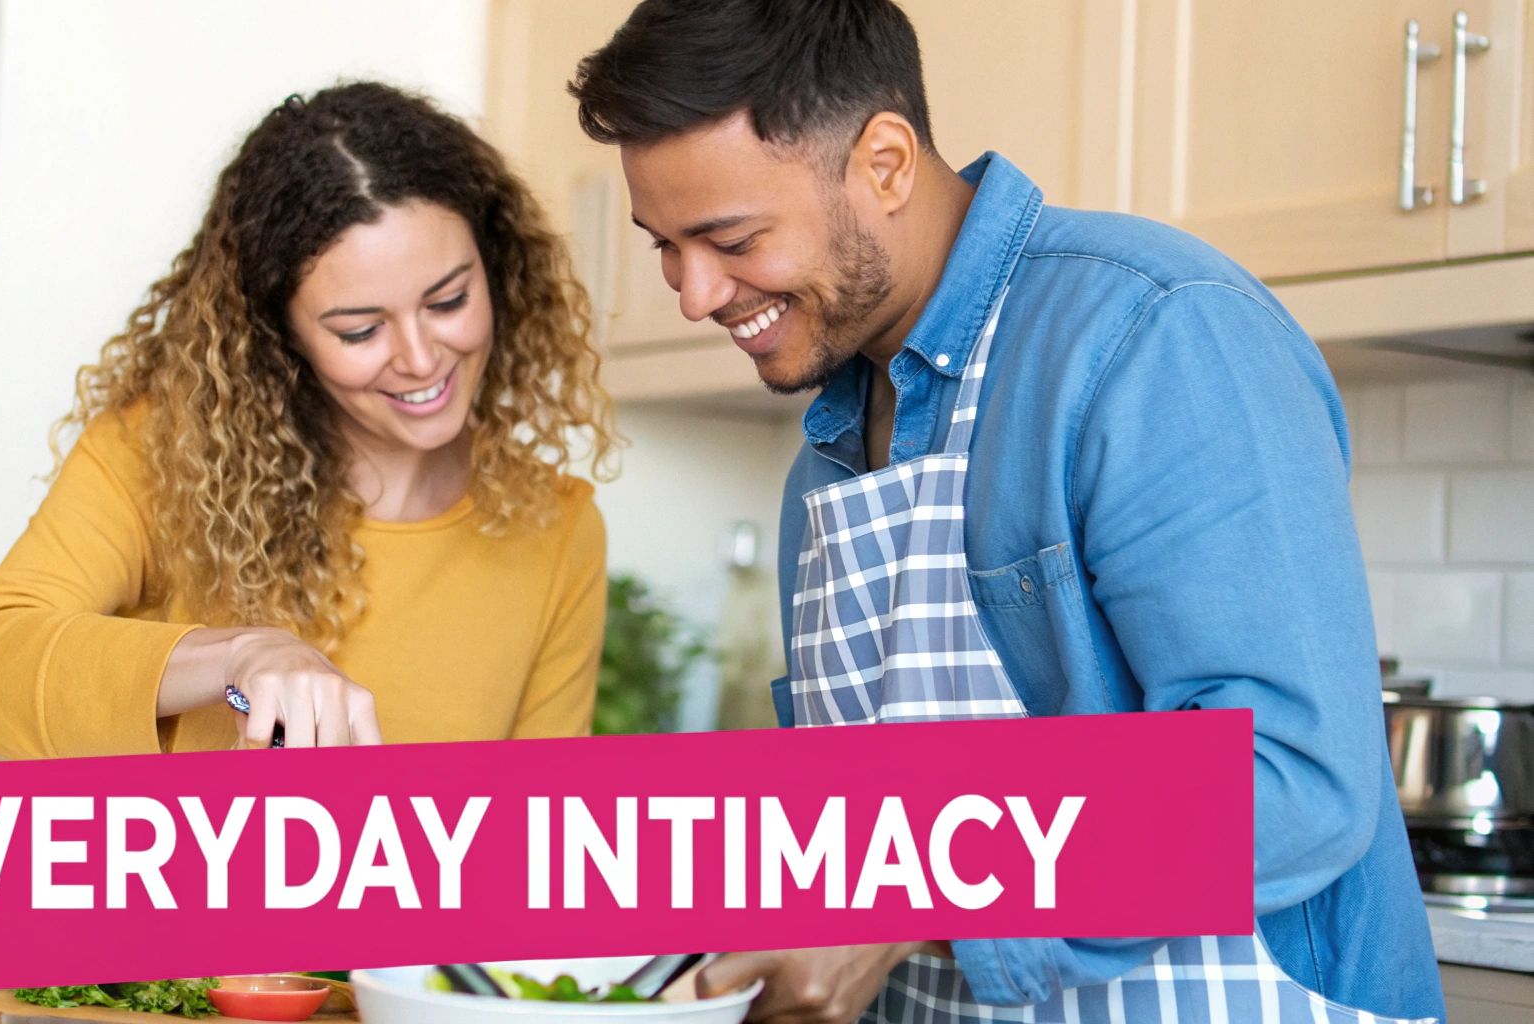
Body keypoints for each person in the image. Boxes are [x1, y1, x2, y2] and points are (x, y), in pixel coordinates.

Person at [569, 2, 1441, 1022]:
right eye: (663, 247)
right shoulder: (825, 451)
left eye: (729, 238)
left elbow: (1287, 777)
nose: (690, 292)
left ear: (884, 163)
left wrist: (909, 893)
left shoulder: (1150, 333)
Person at [0, 82, 618, 757]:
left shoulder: (558, 530)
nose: (419, 357)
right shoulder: (160, 457)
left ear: (494, 271)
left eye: (448, 300)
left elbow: (530, 821)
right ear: (281, 335)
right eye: (359, 331)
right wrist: (237, 656)